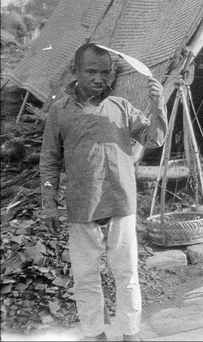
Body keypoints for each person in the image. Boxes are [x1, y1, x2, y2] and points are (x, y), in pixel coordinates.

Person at [40, 43, 168, 342]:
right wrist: (49, 204)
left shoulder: (121, 108)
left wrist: (158, 103)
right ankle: (94, 333)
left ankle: (129, 332)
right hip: (82, 207)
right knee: (85, 277)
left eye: (105, 73)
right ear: (75, 71)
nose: (99, 78)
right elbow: (49, 161)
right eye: (91, 71)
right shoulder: (60, 112)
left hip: (121, 202)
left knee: (126, 275)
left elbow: (155, 138)